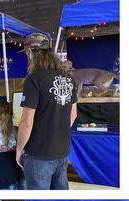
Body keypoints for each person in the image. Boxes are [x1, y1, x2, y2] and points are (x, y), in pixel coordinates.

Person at [16, 33, 77, 190]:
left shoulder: (34, 79)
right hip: (62, 150)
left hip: (38, 152)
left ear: (31, 52)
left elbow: (26, 122)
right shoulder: (68, 77)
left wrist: (19, 148)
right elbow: (73, 114)